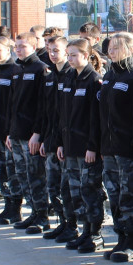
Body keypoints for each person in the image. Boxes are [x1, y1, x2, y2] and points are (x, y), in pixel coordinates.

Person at [99, 32, 133, 262]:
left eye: (117, 47)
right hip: (109, 146)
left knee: (130, 195)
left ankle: (132, 242)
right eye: (110, 47)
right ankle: (121, 238)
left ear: (130, 49)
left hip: (127, 147)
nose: (111, 51)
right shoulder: (109, 75)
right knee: (114, 195)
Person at [57, 38, 106, 253]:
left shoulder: (93, 80)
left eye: (74, 55)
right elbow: (63, 115)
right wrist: (60, 143)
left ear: (86, 56)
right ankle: (84, 231)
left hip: (86, 147)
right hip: (70, 146)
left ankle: (95, 234)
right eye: (68, 55)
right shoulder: (69, 78)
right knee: (75, 191)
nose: (70, 59)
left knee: (90, 191)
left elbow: (96, 119)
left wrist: (93, 146)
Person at [7, 32, 52, 233]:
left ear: (34, 47)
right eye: (16, 46)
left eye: (23, 46)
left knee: (35, 176)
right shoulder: (17, 69)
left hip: (31, 134)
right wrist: (10, 131)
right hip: (16, 132)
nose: (18, 49)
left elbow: (44, 106)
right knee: (22, 175)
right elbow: (13, 103)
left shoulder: (41, 69)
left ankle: (42, 217)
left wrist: (37, 133)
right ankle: (33, 213)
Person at [38, 35, 77, 242]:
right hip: (52, 140)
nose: (52, 54)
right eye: (49, 50)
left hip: (66, 142)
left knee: (67, 187)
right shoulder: (50, 76)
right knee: (53, 186)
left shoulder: (71, 76)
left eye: (56, 50)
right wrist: (44, 138)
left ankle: (73, 225)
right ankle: (63, 223)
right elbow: (46, 112)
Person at [0, 36, 23, 223]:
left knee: (12, 171)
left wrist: (11, 131)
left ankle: (15, 208)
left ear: (8, 51)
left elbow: (15, 106)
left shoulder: (14, 71)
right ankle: (7, 205)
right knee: (2, 170)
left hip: (9, 131)